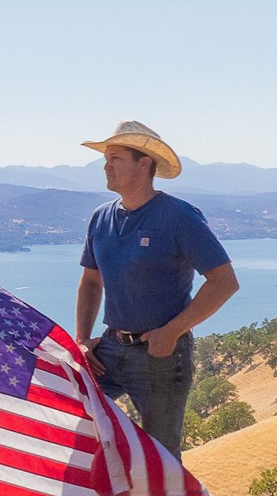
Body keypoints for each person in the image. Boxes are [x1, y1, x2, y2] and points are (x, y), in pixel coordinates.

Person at [75, 121, 238, 458]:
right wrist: (82, 339)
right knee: (74, 421)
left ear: (144, 163)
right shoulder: (101, 218)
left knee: (161, 456)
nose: (106, 166)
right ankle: (91, 494)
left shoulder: (179, 217)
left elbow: (224, 282)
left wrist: (172, 331)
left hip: (160, 355)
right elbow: (91, 281)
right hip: (108, 349)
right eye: (106, 158)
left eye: (115, 158)